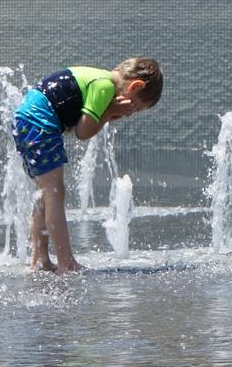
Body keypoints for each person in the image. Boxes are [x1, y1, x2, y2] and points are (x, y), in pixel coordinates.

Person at [13, 58, 163, 274]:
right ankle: (66, 262)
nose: (131, 113)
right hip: (38, 123)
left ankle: (40, 259)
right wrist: (109, 112)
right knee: (54, 192)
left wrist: (108, 113)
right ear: (135, 87)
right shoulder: (104, 87)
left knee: (46, 193)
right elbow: (83, 132)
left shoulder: (99, 79)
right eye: (136, 107)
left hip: (28, 120)